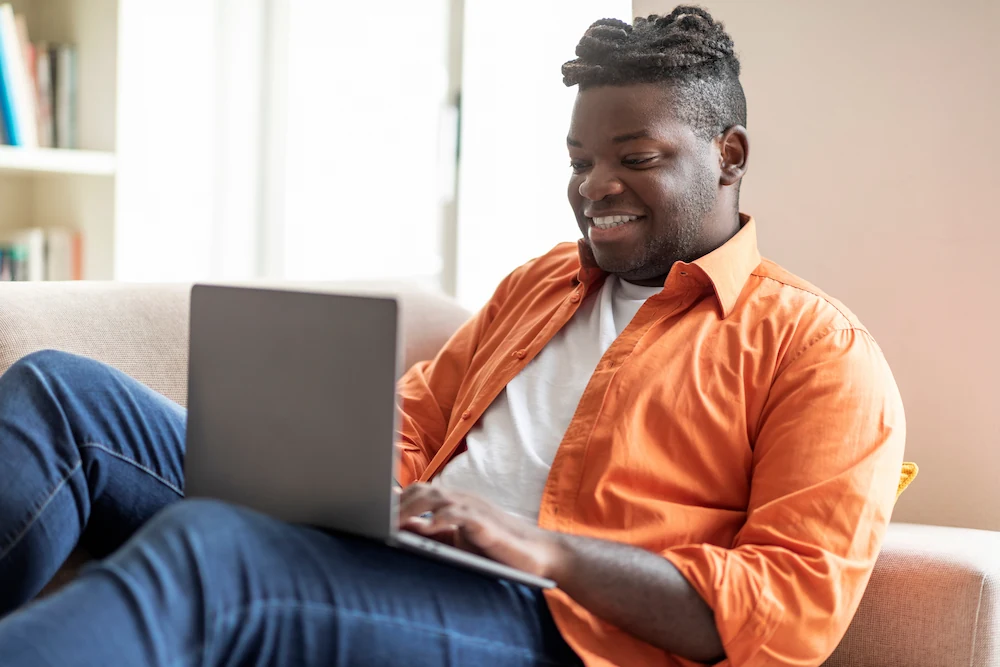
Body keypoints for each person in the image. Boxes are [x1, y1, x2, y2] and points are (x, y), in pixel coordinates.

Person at [0, 6, 905, 667]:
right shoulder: (544, 282)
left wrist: (542, 548)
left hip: (549, 622)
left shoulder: (818, 352)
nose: (596, 188)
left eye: (636, 159)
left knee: (212, 555)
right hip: (407, 542)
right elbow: (417, 419)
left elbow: (787, 613)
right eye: (580, 162)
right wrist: (352, 489)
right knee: (62, 394)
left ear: (730, 155)